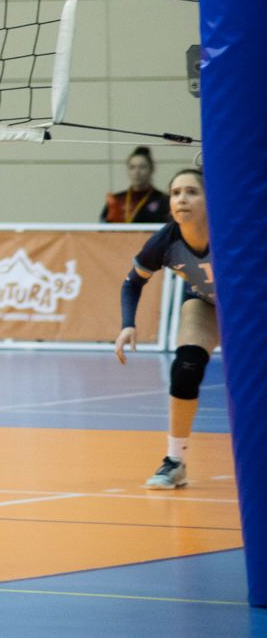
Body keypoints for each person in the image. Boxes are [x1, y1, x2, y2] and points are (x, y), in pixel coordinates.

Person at [115, 166, 217, 490]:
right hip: (206, 304)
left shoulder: (233, 229)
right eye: (175, 193)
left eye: (191, 192)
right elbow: (132, 283)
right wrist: (127, 324)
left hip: (252, 307)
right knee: (185, 368)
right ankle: (175, 461)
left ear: (211, 198)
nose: (181, 199)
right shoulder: (166, 240)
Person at [101, 146, 170, 226]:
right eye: (132, 167)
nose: (137, 172)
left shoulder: (164, 200)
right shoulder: (116, 200)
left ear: (152, 169)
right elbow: (102, 230)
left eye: (142, 167)